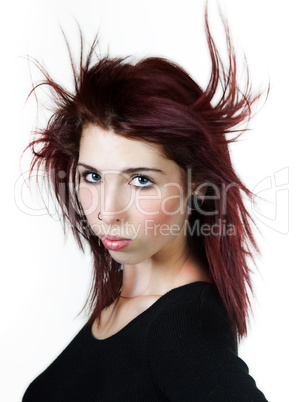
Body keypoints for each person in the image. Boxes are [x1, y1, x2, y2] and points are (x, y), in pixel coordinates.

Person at [22, 7, 268, 402]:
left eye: (140, 180)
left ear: (199, 186)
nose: (106, 211)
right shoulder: (125, 304)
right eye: (92, 176)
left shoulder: (180, 326)